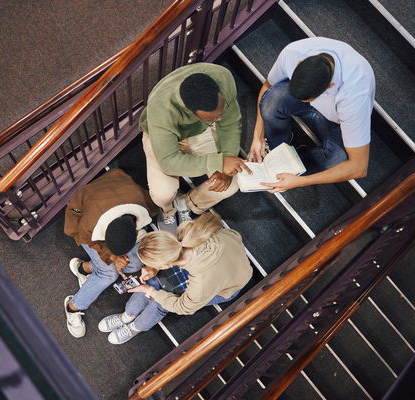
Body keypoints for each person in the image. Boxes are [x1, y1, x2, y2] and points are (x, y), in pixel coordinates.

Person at [97, 213, 253, 344]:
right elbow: (233, 234)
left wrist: (150, 291)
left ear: (167, 265)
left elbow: (182, 307)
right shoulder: (191, 234)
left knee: (163, 302)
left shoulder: (200, 285)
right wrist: (155, 268)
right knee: (153, 281)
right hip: (225, 259)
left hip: (226, 286)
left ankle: (134, 327)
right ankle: (127, 315)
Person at [249, 37, 375, 192]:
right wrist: (258, 136)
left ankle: (296, 167)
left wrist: (300, 181)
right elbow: (268, 85)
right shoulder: (293, 52)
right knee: (272, 100)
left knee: (337, 159)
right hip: (319, 99)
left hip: (338, 122)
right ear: (299, 64)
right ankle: (277, 149)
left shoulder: (355, 96)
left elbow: (358, 167)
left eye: (309, 99)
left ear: (330, 86)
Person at [139, 63, 251, 232]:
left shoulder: (222, 77)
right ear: (188, 110)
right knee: (163, 194)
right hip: (162, 141)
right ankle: (168, 209)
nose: (220, 119)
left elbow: (231, 123)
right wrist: (218, 161)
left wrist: (226, 164)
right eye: (214, 117)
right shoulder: (161, 107)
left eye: (220, 112)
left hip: (200, 131)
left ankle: (187, 203)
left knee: (232, 184)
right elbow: (169, 162)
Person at [62, 168, 158, 338]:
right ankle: (73, 306)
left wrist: (117, 257)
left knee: (133, 262)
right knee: (109, 274)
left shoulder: (145, 203)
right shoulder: (88, 226)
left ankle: (84, 268)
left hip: (111, 206)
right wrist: (112, 257)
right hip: (82, 221)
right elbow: (79, 235)